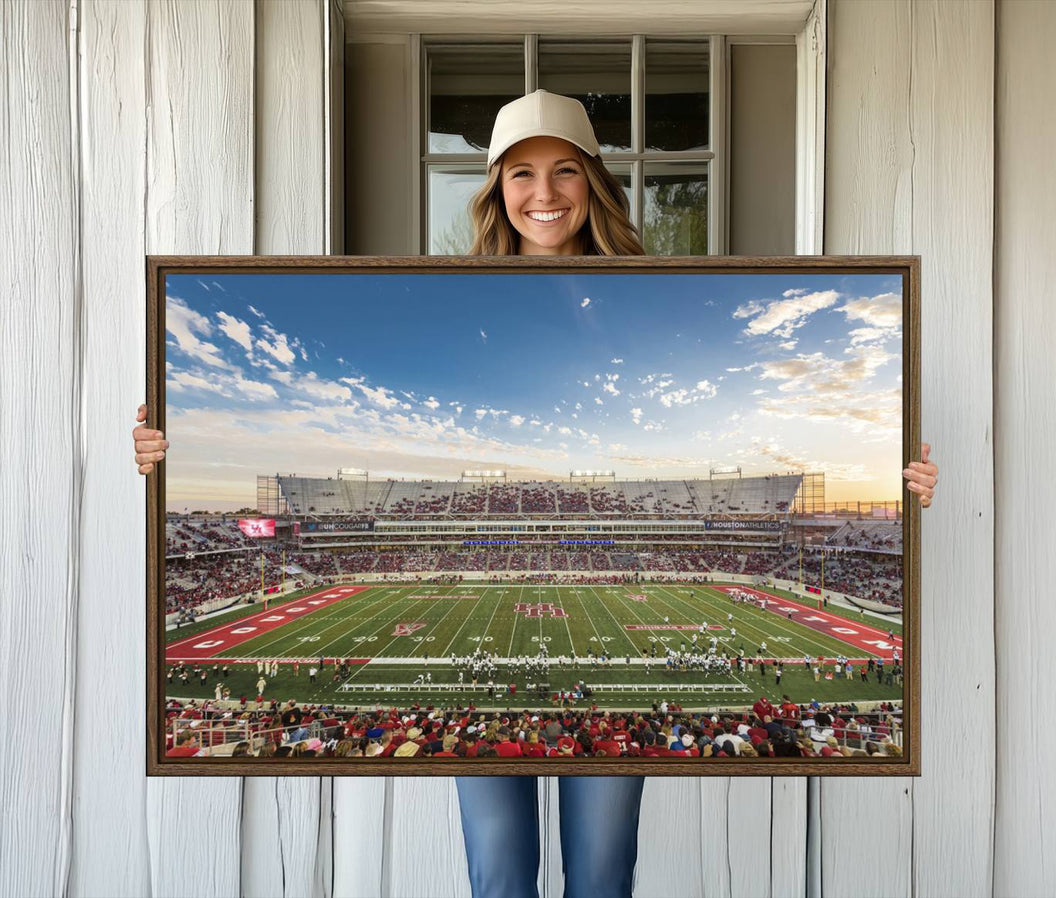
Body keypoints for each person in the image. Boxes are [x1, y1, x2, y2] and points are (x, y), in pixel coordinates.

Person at [132, 89, 940, 898]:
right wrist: (168, 446)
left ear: (593, 181)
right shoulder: (455, 293)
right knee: (500, 874)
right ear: (495, 188)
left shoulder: (654, 295)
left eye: (564, 171)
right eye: (521, 173)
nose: (544, 193)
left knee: (600, 874)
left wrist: (905, 482)